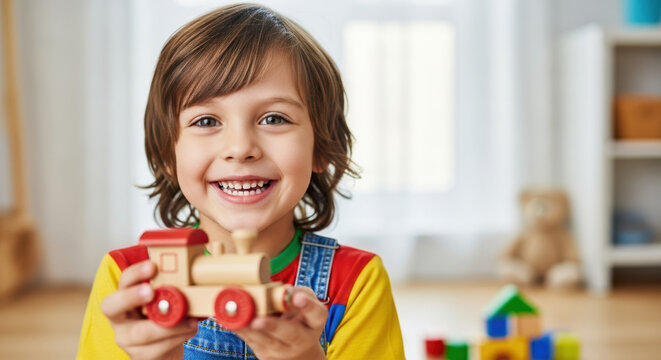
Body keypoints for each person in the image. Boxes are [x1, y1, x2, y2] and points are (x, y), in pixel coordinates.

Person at [77, 3, 404, 360]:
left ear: (321, 148)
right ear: (169, 155)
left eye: (274, 118)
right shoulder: (129, 278)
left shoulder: (355, 282)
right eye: (205, 121)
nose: (240, 148)